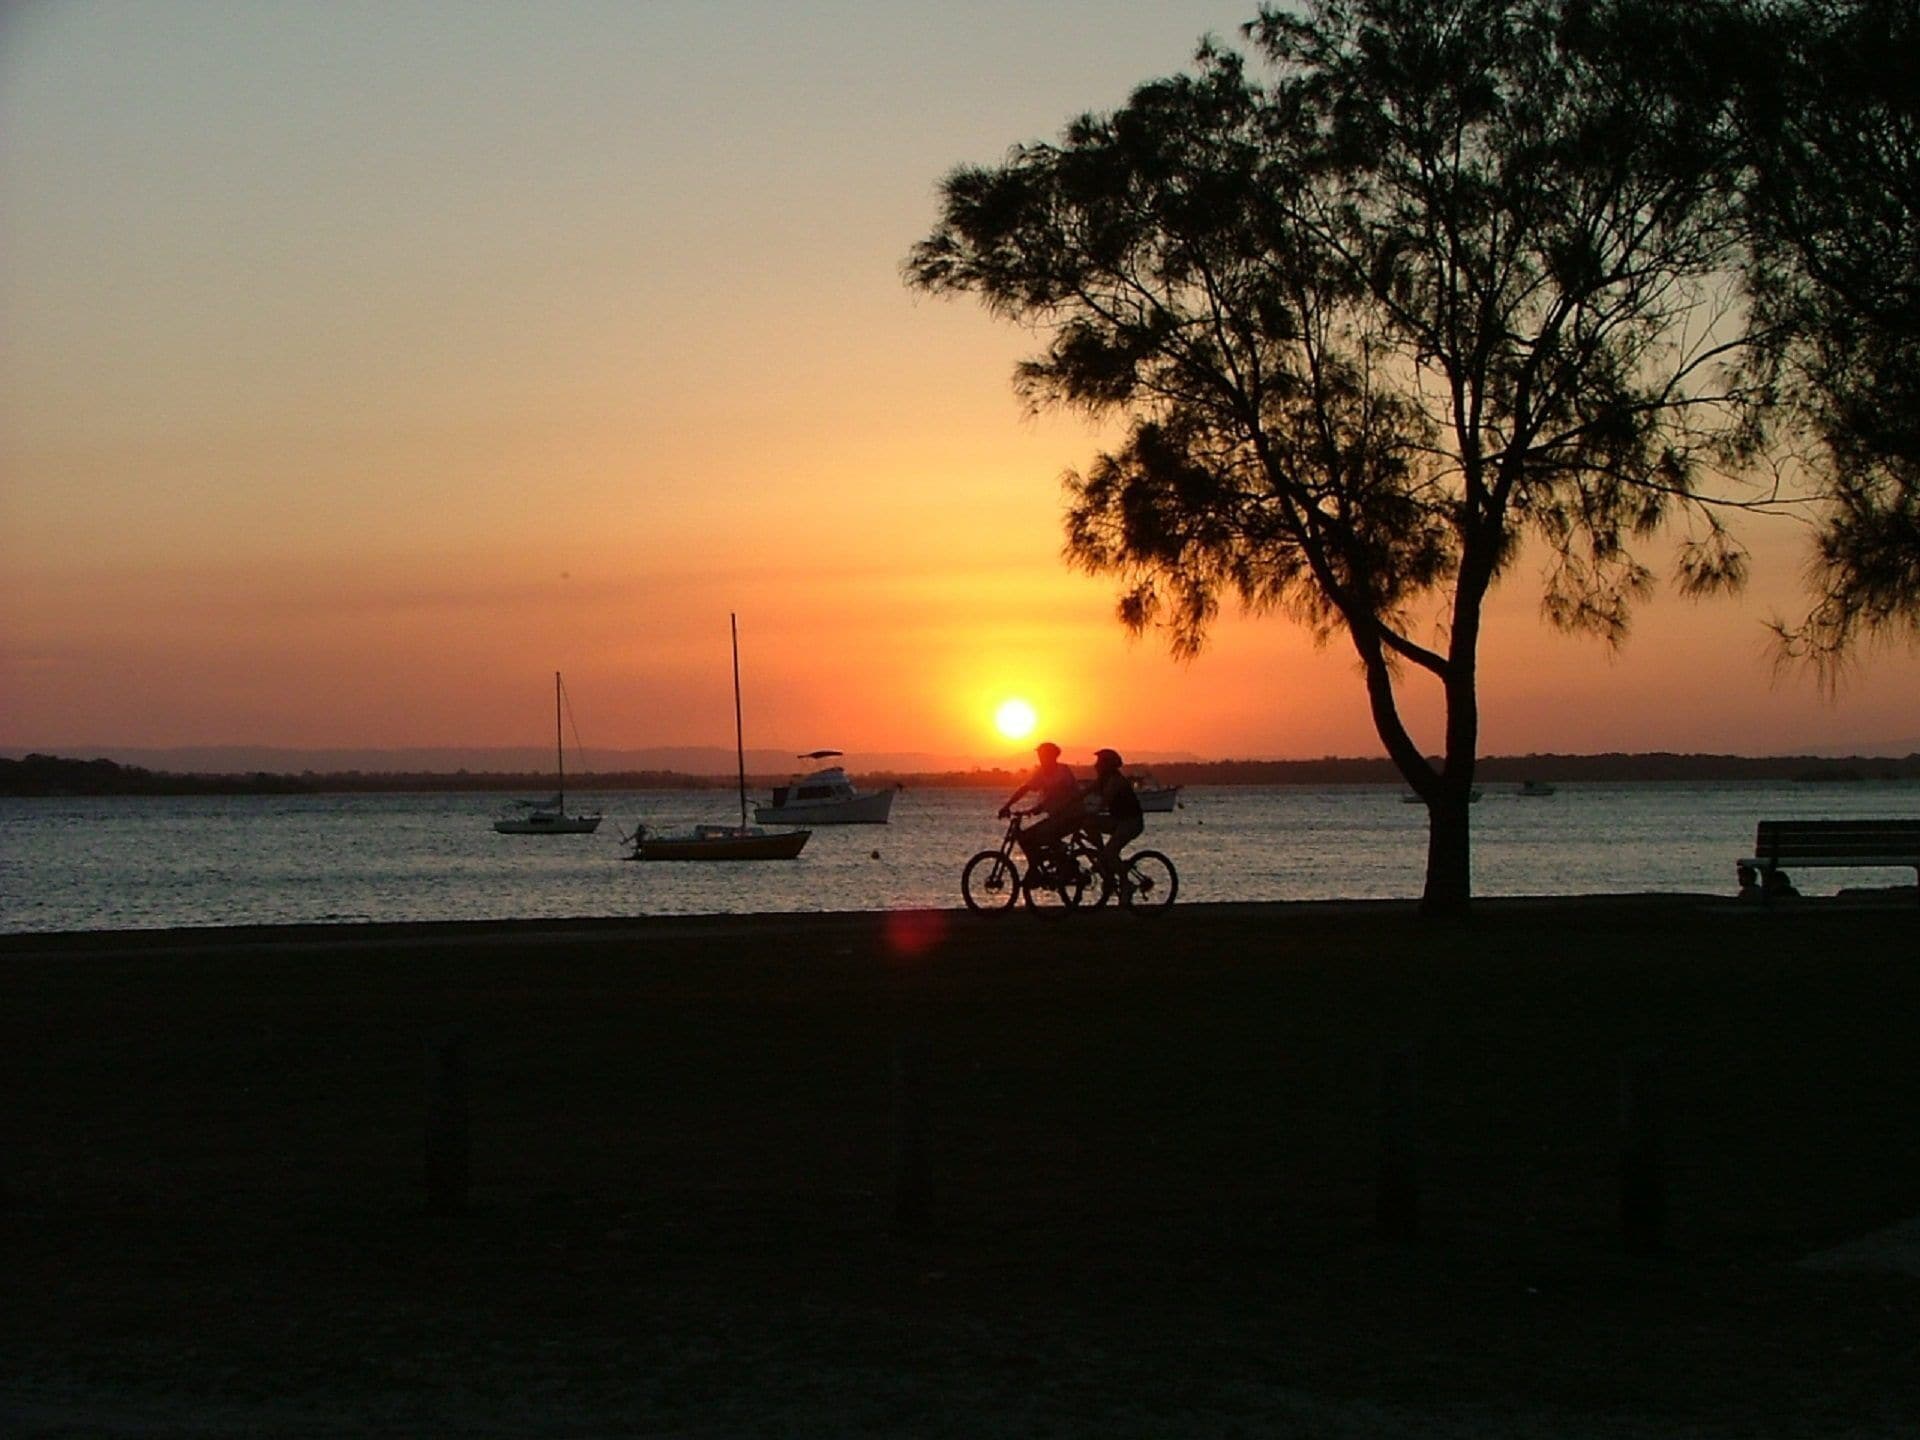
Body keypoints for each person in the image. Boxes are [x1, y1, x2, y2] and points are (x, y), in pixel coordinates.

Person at [998, 741, 1086, 876]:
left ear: (1053, 756)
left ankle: (1044, 866)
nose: (1041, 758)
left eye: (1043, 755)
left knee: (1033, 837)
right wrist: (1007, 806)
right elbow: (1025, 788)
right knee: (1033, 837)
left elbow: (1058, 794)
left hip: (1070, 816)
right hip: (1056, 817)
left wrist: (1036, 808)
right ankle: (1047, 863)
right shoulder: (1042, 772)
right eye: (1039, 755)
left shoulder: (1062, 771)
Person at [1086, 748, 1145, 892]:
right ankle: (1102, 854)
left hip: (1131, 823)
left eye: (1099, 762)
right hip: (1118, 821)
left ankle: (1126, 884)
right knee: (1087, 823)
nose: (1095, 765)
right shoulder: (1103, 780)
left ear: (1107, 765)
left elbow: (1104, 802)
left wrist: (1090, 810)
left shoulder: (1115, 781)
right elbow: (1084, 792)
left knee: (1111, 853)